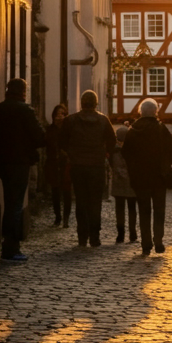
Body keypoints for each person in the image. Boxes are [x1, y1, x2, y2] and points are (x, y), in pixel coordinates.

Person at [0, 79, 45, 262]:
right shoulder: (25, 111)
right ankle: (11, 248)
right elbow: (39, 138)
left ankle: (9, 245)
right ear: (22, 92)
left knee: (9, 201)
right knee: (16, 205)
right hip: (20, 162)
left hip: (3, 161)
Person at [61, 90, 116, 246]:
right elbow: (112, 141)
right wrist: (104, 153)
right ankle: (94, 236)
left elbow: (62, 141)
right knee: (95, 201)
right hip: (96, 166)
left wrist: (72, 153)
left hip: (78, 165)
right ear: (96, 103)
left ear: (82, 102)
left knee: (81, 200)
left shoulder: (71, 120)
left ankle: (82, 236)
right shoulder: (103, 121)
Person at [123, 99, 172, 256]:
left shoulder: (133, 131)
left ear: (141, 112)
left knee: (144, 210)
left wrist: (134, 169)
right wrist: (165, 167)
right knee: (159, 210)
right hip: (158, 177)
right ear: (155, 112)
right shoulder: (160, 129)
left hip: (140, 178)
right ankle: (158, 240)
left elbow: (126, 153)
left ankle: (146, 243)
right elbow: (171, 149)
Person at [45, 104, 73, 227]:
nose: (60, 117)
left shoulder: (69, 131)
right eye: (58, 114)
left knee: (67, 191)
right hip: (53, 163)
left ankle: (66, 218)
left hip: (66, 163)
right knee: (55, 191)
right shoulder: (50, 129)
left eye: (62, 114)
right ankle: (58, 217)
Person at [109, 125, 138, 244]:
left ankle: (120, 234)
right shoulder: (134, 149)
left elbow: (113, 166)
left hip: (118, 183)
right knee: (132, 209)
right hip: (132, 182)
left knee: (119, 210)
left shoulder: (113, 151)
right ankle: (132, 233)